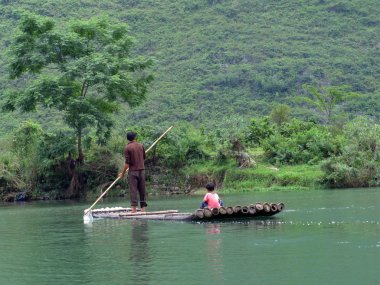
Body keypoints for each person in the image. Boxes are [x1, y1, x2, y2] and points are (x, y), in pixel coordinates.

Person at [119, 132, 147, 213]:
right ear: (135, 138)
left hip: (133, 172)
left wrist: (123, 173)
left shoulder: (127, 148)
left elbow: (127, 163)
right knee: (142, 190)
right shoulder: (141, 145)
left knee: (133, 190)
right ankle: (143, 210)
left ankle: (133, 210)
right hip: (142, 171)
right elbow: (144, 158)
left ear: (128, 139)